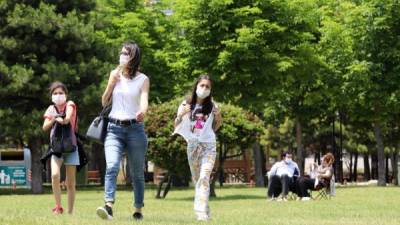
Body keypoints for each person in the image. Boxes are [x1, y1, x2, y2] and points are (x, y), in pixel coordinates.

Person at [96, 41, 149, 221]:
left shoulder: (143, 79)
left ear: (134, 57)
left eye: (126, 53)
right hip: (114, 128)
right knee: (111, 166)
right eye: (121, 53)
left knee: (137, 173)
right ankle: (108, 206)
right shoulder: (114, 74)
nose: (122, 56)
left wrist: (143, 111)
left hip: (135, 129)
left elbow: (144, 99)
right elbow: (104, 102)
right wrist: (111, 84)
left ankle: (138, 208)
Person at [173, 74, 222, 221]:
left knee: (204, 177)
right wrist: (181, 115)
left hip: (208, 146)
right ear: (196, 87)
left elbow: (217, 126)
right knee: (197, 180)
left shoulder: (213, 106)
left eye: (207, 87)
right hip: (193, 146)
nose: (204, 89)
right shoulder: (185, 104)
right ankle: (205, 209)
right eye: (202, 85)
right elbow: (176, 125)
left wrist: (218, 116)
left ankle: (200, 213)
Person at [42, 81, 79, 214]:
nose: (58, 95)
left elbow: (68, 117)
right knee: (55, 175)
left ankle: (70, 211)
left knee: (70, 183)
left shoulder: (70, 104)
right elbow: (45, 126)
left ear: (66, 94)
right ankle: (58, 206)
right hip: (56, 148)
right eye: (55, 93)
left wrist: (62, 119)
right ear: (52, 96)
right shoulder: (51, 109)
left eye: (61, 93)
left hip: (71, 148)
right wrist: (53, 119)